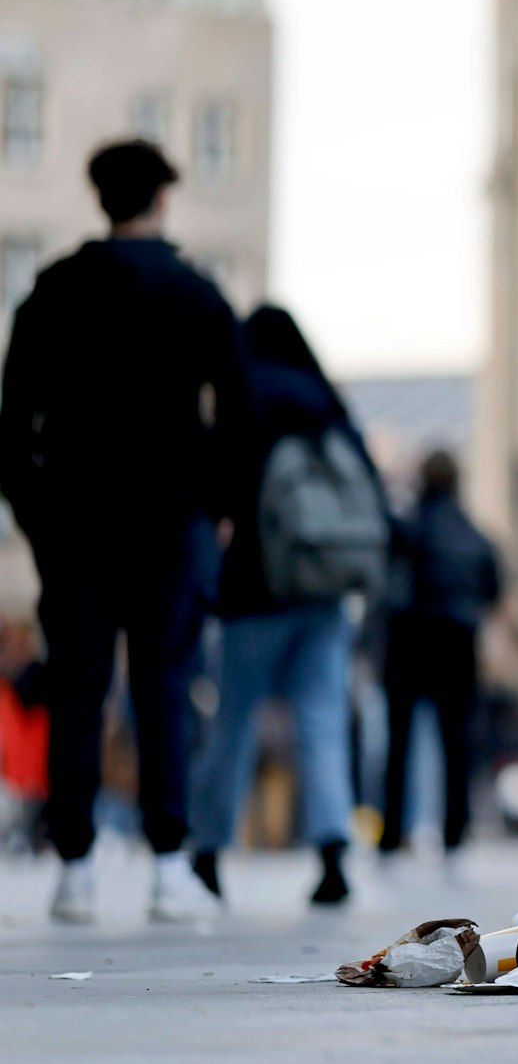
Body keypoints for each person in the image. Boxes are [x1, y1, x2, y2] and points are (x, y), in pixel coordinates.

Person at [0, 140, 247, 923]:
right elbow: (240, 417)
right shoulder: (196, 292)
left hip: (74, 524)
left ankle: (73, 867)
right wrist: (219, 508)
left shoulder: (52, 291)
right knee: (163, 689)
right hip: (168, 525)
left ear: (99, 197)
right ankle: (168, 863)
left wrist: (39, 521)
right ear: (163, 199)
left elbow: (13, 430)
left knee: (78, 688)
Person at [188, 305, 383, 905]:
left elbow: (216, 487)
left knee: (235, 720)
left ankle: (208, 852)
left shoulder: (247, 397)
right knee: (322, 722)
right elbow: (370, 490)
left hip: (256, 592)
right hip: (324, 593)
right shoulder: (327, 405)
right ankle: (332, 854)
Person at [377, 450, 502, 867]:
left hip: (408, 639)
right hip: (456, 642)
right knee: (456, 743)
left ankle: (391, 832)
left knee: (399, 742)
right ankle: (454, 831)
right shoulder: (474, 535)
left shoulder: (407, 530)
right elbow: (492, 589)